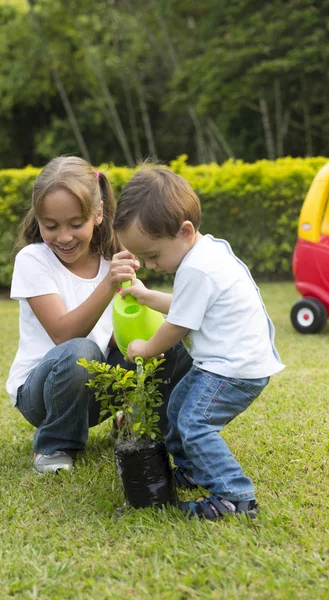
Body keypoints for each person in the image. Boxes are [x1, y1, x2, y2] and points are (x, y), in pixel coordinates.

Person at [113, 166, 285, 520]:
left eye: (153, 255)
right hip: (225, 364)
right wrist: (146, 296)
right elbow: (186, 305)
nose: (150, 264)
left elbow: (178, 324)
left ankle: (235, 497)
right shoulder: (207, 253)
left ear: (185, 231)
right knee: (178, 406)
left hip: (233, 370)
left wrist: (145, 348)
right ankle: (193, 468)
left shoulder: (197, 269)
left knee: (194, 424)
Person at [6, 157, 191, 474]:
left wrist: (153, 339)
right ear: (38, 220)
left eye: (75, 224)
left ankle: (138, 426)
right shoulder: (32, 260)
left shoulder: (113, 258)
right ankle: (54, 445)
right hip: (43, 395)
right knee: (81, 351)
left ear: (98, 214)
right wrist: (108, 285)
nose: (64, 237)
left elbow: (124, 329)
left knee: (170, 345)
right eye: (51, 226)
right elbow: (64, 335)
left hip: (97, 388)